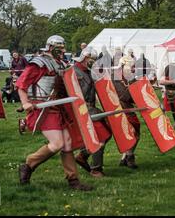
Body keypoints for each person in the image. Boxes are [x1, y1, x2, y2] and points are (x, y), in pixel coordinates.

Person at [16, 35, 93, 191]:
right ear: (50, 48)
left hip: (58, 108)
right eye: (60, 48)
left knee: (67, 143)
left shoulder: (62, 64)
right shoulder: (39, 63)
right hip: (42, 108)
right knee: (57, 143)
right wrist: (25, 103)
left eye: (64, 48)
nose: (63, 51)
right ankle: (28, 164)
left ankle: (73, 181)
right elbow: (21, 85)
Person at [73, 48, 112, 178]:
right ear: (85, 57)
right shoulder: (73, 72)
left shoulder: (88, 72)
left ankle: (82, 155)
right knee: (100, 136)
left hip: (91, 108)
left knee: (107, 133)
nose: (93, 62)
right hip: (81, 110)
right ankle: (96, 169)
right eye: (92, 59)